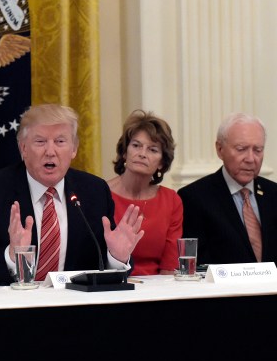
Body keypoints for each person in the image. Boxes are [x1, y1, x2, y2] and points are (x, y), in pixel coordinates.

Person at [0, 104, 144, 285]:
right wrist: (11, 256)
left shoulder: (93, 191)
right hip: (12, 311)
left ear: (74, 149)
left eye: (60, 141)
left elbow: (101, 267)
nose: (50, 151)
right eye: (40, 141)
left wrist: (117, 257)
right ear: (23, 148)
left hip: (76, 310)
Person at [178, 112, 277, 264]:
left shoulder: (273, 194)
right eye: (241, 149)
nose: (251, 159)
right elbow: (195, 264)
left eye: (258, 150)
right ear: (220, 149)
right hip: (223, 287)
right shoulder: (194, 198)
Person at [107, 110, 182, 275]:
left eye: (153, 150)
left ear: (162, 162)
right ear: (125, 152)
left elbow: (170, 266)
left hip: (158, 292)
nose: (142, 154)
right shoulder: (101, 193)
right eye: (136, 145)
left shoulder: (171, 201)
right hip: (111, 288)